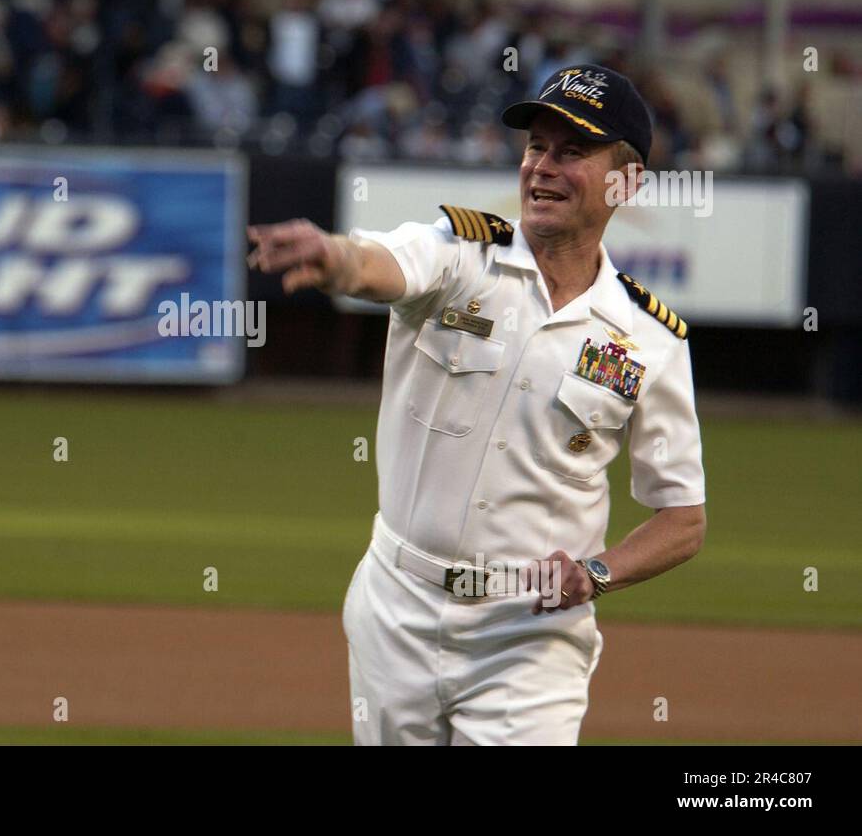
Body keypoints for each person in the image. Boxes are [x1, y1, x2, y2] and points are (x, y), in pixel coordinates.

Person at [247, 64, 707, 745]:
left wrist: (596, 572)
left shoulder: (649, 338)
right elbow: (385, 262)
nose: (543, 167)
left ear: (626, 181)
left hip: (531, 635)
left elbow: (683, 516)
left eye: (571, 151)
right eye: (535, 147)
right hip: (395, 610)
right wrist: (335, 256)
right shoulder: (463, 254)